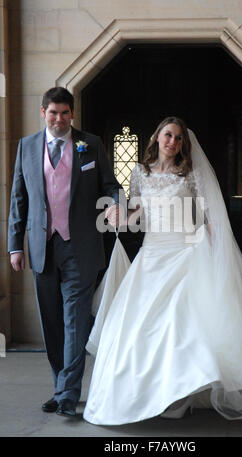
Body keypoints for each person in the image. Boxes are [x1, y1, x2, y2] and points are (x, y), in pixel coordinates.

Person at [83, 116, 242, 426]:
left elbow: (208, 213)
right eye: (168, 135)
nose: (173, 142)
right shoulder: (140, 172)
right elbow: (138, 212)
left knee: (182, 325)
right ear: (156, 137)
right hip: (152, 255)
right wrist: (118, 218)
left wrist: (212, 240)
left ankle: (181, 394)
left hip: (184, 252)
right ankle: (157, 392)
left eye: (178, 138)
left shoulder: (189, 173)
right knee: (141, 327)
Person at [8, 87, 124, 417]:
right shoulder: (27, 147)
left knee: (74, 320)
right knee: (52, 323)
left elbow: (111, 185)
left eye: (65, 113)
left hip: (81, 247)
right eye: (53, 113)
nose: (59, 119)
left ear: (72, 114)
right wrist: (15, 245)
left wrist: (116, 205)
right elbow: (19, 198)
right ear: (43, 112)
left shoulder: (91, 144)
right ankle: (60, 386)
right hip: (42, 247)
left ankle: (69, 394)